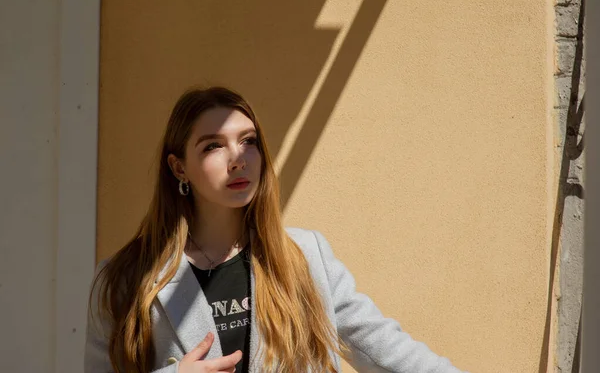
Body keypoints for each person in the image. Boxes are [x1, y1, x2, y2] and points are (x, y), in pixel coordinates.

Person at [85, 86, 467, 373]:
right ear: (178, 167)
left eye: (248, 141)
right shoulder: (122, 278)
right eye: (213, 146)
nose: (238, 159)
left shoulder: (304, 255)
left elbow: (383, 348)